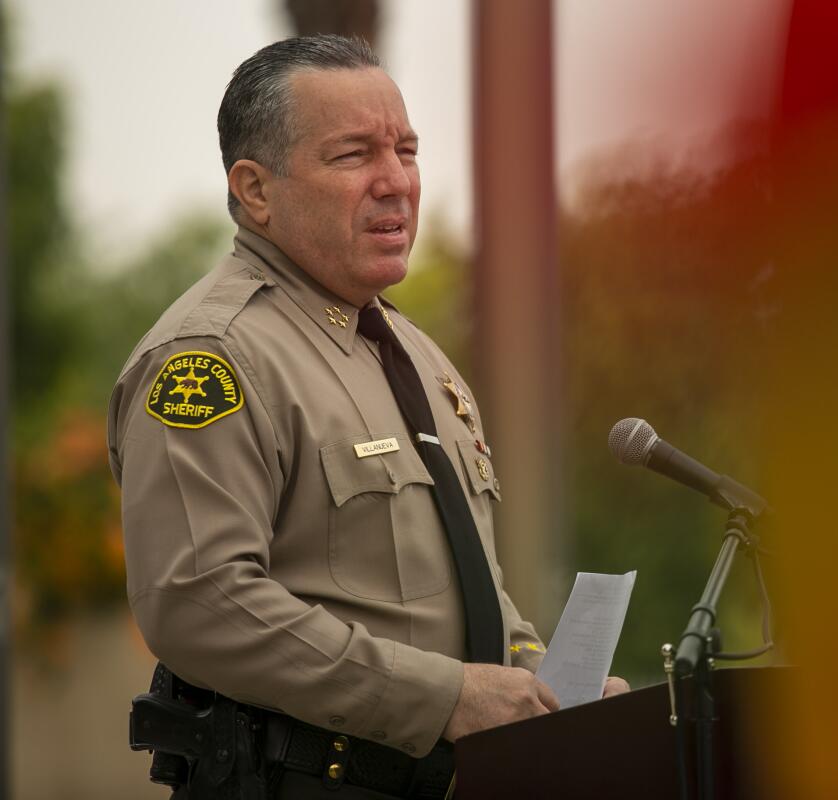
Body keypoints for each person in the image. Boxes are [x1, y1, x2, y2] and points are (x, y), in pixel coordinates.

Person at [108, 34, 627, 799]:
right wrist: (444, 698)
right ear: (256, 190)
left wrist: (544, 688)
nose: (397, 183)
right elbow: (200, 602)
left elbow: (451, 587)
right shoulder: (211, 358)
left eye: (407, 150)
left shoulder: (415, 355)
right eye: (353, 156)